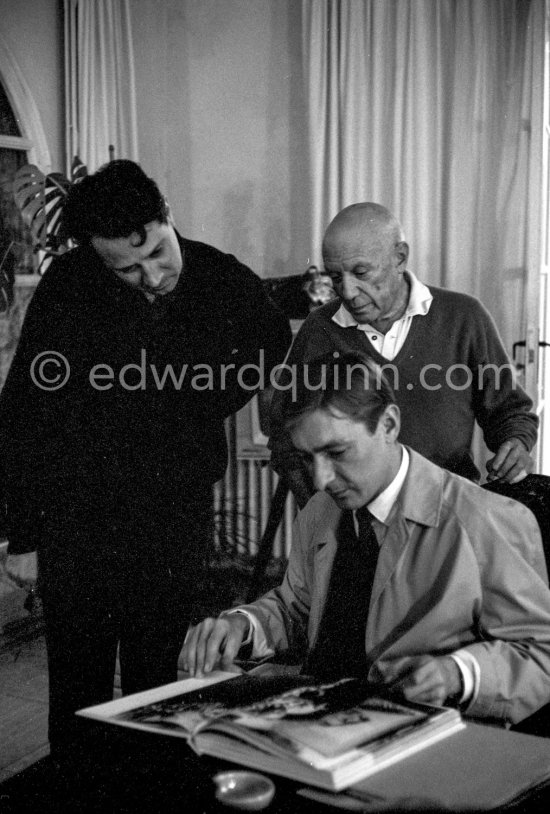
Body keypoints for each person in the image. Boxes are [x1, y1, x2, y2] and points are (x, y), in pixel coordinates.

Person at [0, 159, 291, 761]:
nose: (150, 276)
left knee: (159, 687)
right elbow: (26, 409)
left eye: (157, 252)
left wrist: (204, 399)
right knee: (76, 694)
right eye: (126, 268)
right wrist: (23, 534)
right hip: (76, 521)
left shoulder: (224, 279)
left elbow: (272, 350)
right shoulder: (69, 284)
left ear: (167, 218)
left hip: (171, 517)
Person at [183, 353, 550, 725]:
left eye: (337, 452)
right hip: (322, 726)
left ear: (388, 425)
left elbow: (541, 654)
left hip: (427, 742)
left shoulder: (484, 519)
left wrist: (459, 674)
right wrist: (241, 626)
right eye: (308, 459)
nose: (322, 479)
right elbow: (297, 609)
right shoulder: (319, 512)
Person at [269, 203, 537, 502]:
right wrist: (321, 511)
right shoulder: (319, 328)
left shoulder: (463, 317)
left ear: (400, 258)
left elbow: (509, 412)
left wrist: (516, 443)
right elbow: (284, 438)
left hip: (447, 509)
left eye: (361, 272)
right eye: (334, 277)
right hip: (352, 521)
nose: (346, 291)